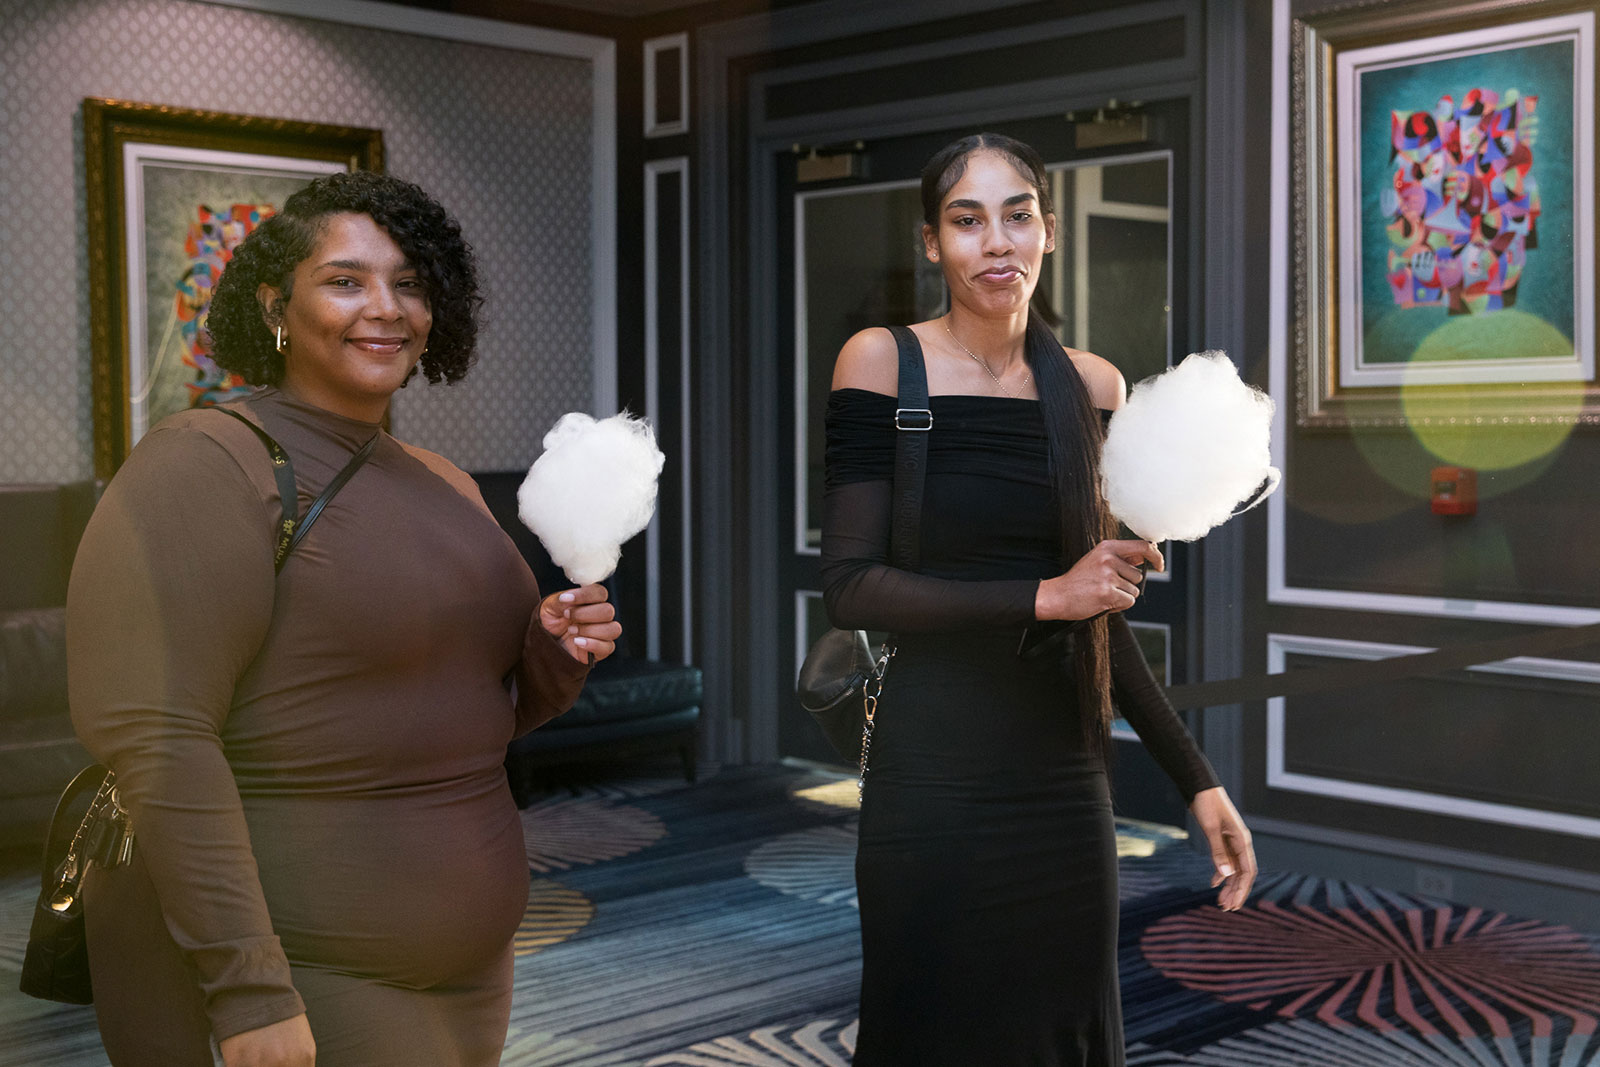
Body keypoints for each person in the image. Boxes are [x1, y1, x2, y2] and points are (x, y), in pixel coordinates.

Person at [67, 171, 620, 1067]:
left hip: (472, 965)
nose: (386, 307)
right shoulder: (204, 464)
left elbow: (474, 710)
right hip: (300, 969)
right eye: (345, 280)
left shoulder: (442, 479)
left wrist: (554, 652)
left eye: (409, 282)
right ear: (274, 306)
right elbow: (158, 737)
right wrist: (250, 988)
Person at [821, 133, 1257, 1066]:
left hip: (1061, 778)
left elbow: (1099, 612)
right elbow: (851, 586)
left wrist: (1197, 777)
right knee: (928, 1031)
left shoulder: (1091, 386)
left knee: (1063, 1033)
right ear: (931, 242)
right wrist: (1046, 596)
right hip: (928, 772)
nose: (997, 241)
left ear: (1048, 232)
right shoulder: (881, 362)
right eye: (966, 220)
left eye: (1017, 216)